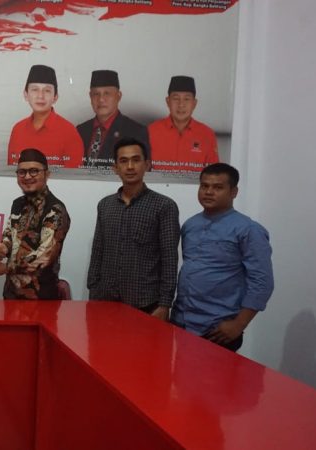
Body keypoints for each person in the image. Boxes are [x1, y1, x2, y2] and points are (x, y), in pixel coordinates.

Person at [171, 163, 273, 351]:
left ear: (234, 192)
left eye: (218, 187)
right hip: (181, 321)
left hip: (217, 329)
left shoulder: (249, 230)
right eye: (204, 186)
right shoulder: (190, 225)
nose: (209, 192)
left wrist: (239, 324)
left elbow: (262, 282)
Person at [87, 138, 179, 320]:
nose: (130, 167)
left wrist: (165, 304)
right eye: (123, 161)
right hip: (105, 300)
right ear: (115, 168)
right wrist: (93, 288)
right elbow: (98, 250)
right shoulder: (105, 205)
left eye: (136, 160)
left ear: (147, 165)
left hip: (146, 303)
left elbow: (169, 258)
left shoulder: (164, 206)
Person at [0, 148, 70, 299]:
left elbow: (44, 257)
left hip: (41, 298)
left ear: (47, 174)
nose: (27, 176)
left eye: (34, 171)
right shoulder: (17, 204)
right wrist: (2, 248)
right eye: (22, 172)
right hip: (11, 294)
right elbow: (10, 235)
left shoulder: (55, 209)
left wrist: (5, 268)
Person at [7, 64, 84, 169]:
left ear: (55, 97)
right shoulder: (17, 129)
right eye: (35, 89)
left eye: (47, 90)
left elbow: (73, 177)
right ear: (26, 95)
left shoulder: (69, 132)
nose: (40, 96)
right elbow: (12, 172)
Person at [76, 70, 149, 168]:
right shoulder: (80, 130)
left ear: (119, 96)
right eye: (96, 94)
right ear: (90, 96)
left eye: (107, 93)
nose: (101, 99)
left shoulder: (136, 132)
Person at [148, 75, 219, 173]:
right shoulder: (150, 131)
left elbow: (214, 174)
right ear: (168, 101)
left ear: (194, 103)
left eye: (187, 99)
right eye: (176, 98)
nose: (181, 104)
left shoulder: (207, 134)